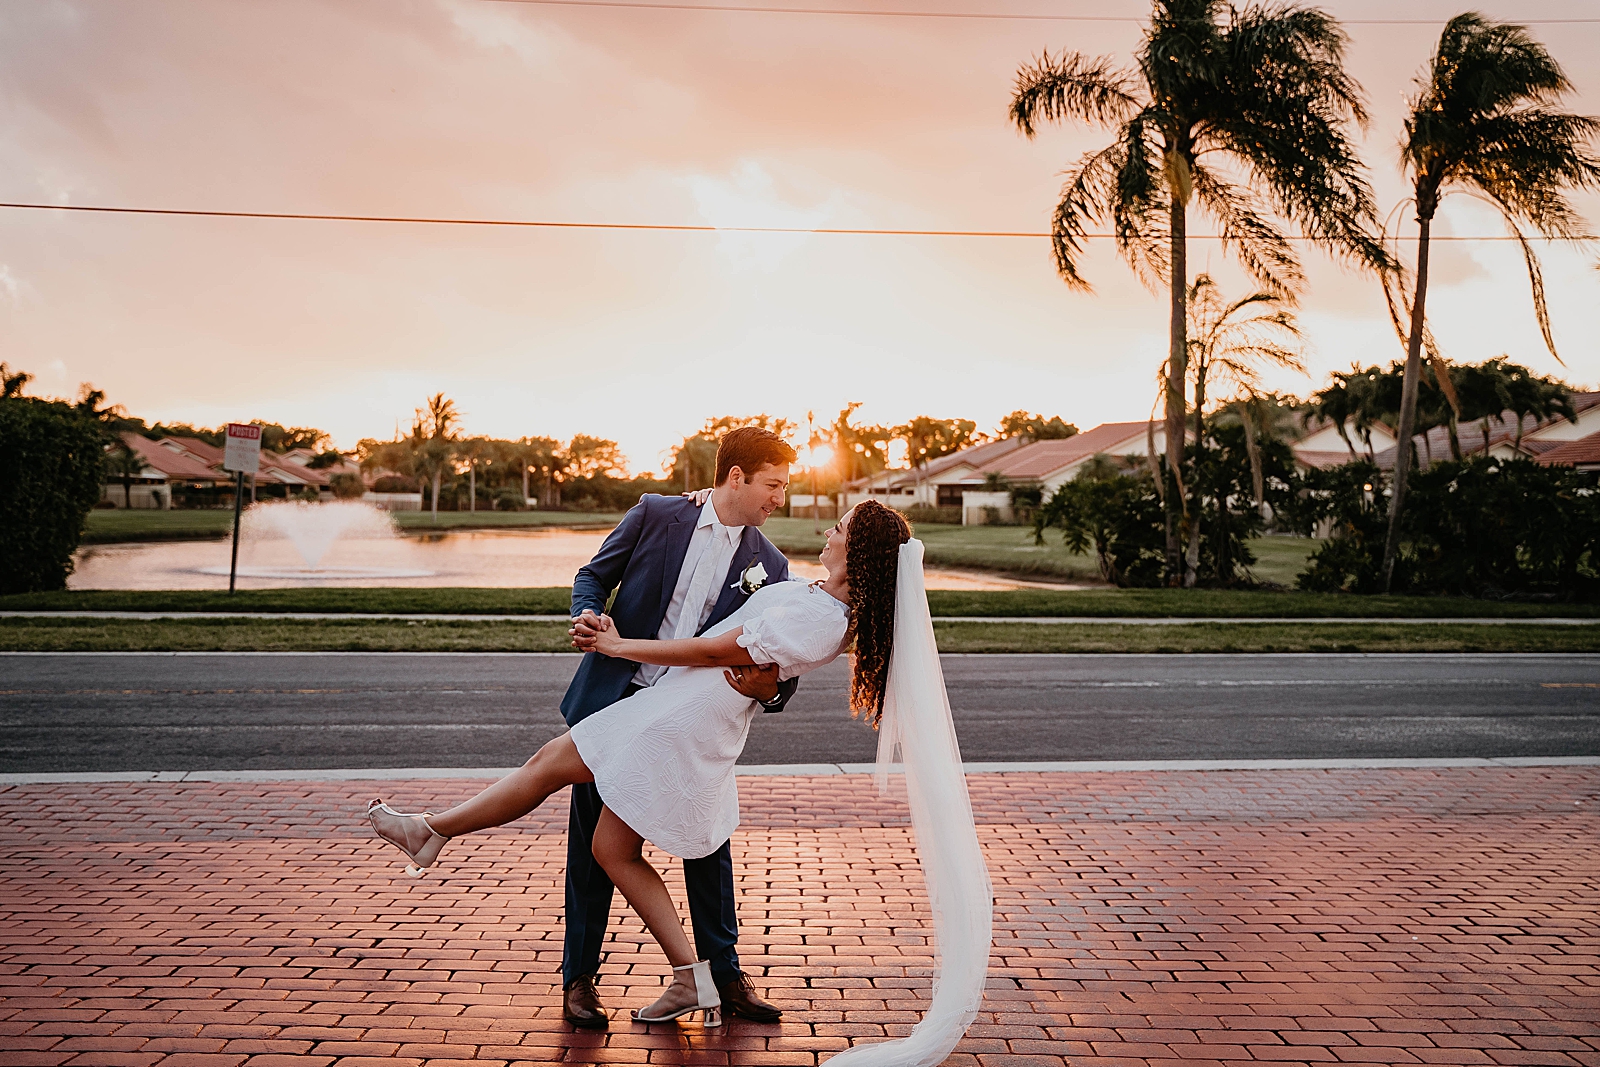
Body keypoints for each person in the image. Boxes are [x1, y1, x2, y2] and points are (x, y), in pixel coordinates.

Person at [367, 499, 915, 1029]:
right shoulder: (809, 594)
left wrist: (621, 646)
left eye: (840, 528)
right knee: (605, 843)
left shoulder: (815, 608)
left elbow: (714, 654)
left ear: (860, 549)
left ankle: (430, 831)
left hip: (681, 718)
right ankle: (687, 977)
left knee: (555, 775)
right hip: (673, 708)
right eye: (774, 484)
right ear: (740, 476)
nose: (827, 531)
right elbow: (612, 582)